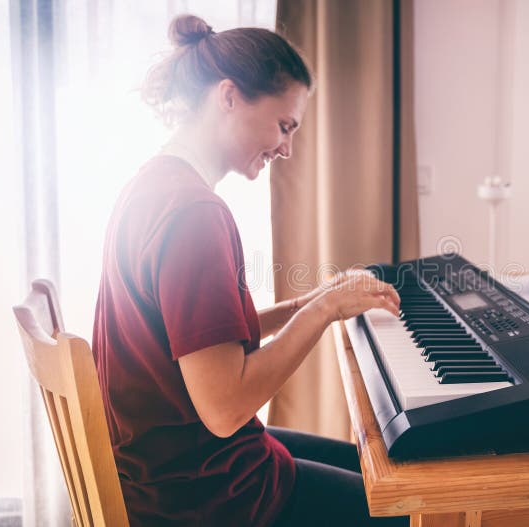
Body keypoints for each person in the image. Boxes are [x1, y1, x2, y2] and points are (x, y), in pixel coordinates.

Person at [92, 14, 407, 527]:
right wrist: (325, 311)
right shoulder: (194, 215)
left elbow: (196, 342)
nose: (287, 148)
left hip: (169, 469)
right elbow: (225, 408)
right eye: (285, 125)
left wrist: (306, 302)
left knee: (380, 471)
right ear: (229, 96)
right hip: (205, 495)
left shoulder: (152, 185)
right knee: (411, 510)